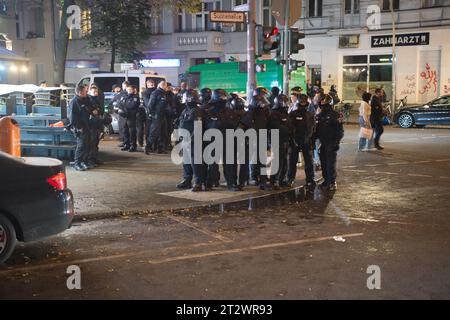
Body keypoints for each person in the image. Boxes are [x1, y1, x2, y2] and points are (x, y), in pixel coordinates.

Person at [176, 89, 205, 192]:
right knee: (186, 161)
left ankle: (198, 182)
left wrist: (191, 139)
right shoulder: (185, 110)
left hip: (193, 141)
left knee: (195, 162)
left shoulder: (196, 111)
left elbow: (198, 126)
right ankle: (187, 180)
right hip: (185, 139)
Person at [316, 94, 344, 192]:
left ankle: (332, 182)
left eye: (324, 103)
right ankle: (326, 180)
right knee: (323, 163)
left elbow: (340, 131)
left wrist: (336, 143)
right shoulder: (319, 116)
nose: (323, 105)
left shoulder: (335, 115)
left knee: (330, 164)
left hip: (331, 143)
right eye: (321, 103)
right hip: (323, 143)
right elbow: (317, 131)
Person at [287, 94, 316, 188]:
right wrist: (292, 140)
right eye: (302, 102)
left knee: (309, 162)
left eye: (305, 102)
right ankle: (290, 179)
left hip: (306, 141)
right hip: (296, 141)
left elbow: (313, 129)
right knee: (292, 161)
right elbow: (290, 128)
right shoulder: (293, 114)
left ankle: (310, 179)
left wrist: (312, 141)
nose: (303, 103)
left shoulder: (310, 115)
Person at [268, 94, 293, 189]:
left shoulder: (285, 113)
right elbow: (276, 127)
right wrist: (288, 129)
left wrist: (290, 130)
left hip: (285, 139)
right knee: (277, 161)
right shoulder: (274, 113)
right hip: (277, 139)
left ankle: (282, 180)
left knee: (285, 162)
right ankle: (274, 181)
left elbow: (289, 124)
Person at [248, 87, 271, 190]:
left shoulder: (264, 107)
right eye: (263, 94)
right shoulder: (253, 106)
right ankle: (255, 177)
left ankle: (261, 178)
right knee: (256, 157)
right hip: (255, 134)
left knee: (261, 158)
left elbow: (267, 119)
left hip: (262, 134)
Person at [69, 84, 91, 171]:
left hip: (87, 125)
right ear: (79, 92)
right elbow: (73, 117)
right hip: (80, 127)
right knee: (81, 146)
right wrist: (78, 127)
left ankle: (83, 161)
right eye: (85, 91)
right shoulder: (74, 102)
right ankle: (77, 163)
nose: (86, 92)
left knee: (86, 145)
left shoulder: (85, 100)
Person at [148, 80, 169, 153]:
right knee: (154, 133)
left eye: (165, 84)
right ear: (159, 85)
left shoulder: (164, 93)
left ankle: (160, 149)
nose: (164, 85)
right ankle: (148, 147)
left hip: (163, 116)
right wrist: (152, 114)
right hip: (157, 116)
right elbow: (150, 105)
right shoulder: (156, 92)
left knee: (163, 133)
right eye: (162, 84)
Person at [86, 85, 105, 167]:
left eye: (96, 92)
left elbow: (100, 110)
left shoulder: (97, 100)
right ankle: (90, 160)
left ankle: (95, 158)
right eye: (94, 92)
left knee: (96, 143)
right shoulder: (88, 100)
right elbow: (91, 112)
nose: (95, 93)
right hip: (91, 125)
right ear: (89, 92)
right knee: (91, 143)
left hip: (98, 124)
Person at [120, 84, 140, 152]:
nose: (129, 91)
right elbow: (119, 104)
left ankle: (133, 146)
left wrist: (124, 106)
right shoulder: (124, 97)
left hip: (131, 116)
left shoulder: (135, 97)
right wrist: (124, 106)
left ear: (133, 90)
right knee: (125, 131)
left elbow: (132, 106)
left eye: (130, 90)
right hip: (125, 116)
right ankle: (126, 144)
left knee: (132, 132)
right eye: (128, 89)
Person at [142, 79, 157, 154]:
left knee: (151, 131)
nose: (152, 86)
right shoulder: (146, 92)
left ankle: (152, 146)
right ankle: (150, 146)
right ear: (147, 85)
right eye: (151, 85)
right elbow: (148, 103)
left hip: (150, 114)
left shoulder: (146, 92)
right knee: (149, 131)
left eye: (153, 84)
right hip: (150, 114)